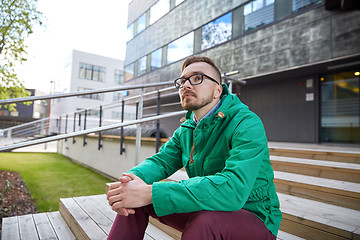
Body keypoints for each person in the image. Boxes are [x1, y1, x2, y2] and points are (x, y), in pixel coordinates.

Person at [107, 56, 282, 240]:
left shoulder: (246, 123)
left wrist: (151, 192)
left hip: (255, 219)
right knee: (135, 200)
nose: (186, 85)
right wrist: (127, 185)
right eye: (182, 81)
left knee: (205, 219)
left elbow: (234, 189)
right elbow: (160, 163)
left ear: (218, 90)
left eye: (197, 78)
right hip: (207, 208)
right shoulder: (187, 129)